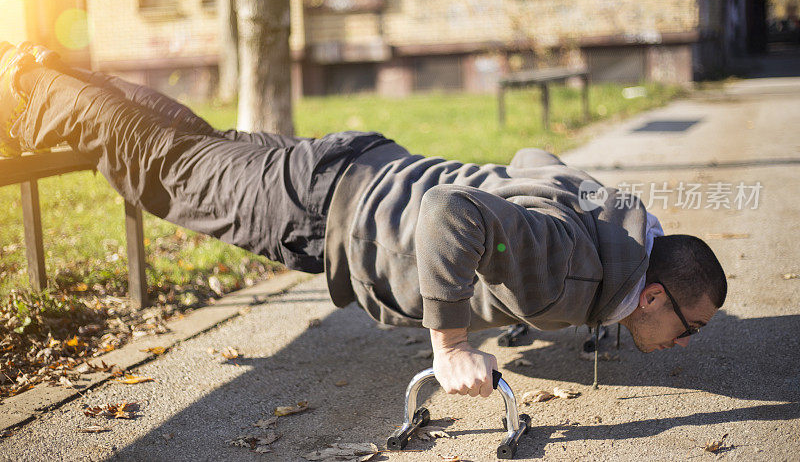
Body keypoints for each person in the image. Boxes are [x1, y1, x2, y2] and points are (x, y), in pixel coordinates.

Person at [0, 42, 726, 399]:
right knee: (161, 171)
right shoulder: (577, 272)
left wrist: (549, 277)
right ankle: (24, 82)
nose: (682, 344)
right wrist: (450, 345)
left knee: (188, 153)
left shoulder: (615, 231)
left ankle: (53, 70)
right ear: (655, 296)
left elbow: (536, 156)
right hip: (325, 207)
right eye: (688, 328)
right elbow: (452, 214)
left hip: (359, 168)